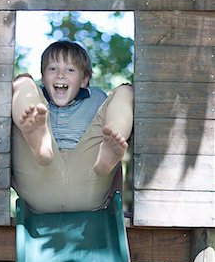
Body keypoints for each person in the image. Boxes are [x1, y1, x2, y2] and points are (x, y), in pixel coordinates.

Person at [11, 40, 133, 213]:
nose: (60, 75)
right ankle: (38, 141)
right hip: (40, 174)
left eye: (70, 69)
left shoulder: (97, 99)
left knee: (126, 91)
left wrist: (116, 199)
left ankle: (110, 147)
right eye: (52, 68)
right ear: (43, 77)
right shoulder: (37, 102)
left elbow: (117, 168)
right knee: (22, 81)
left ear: (84, 80)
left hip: (92, 176)